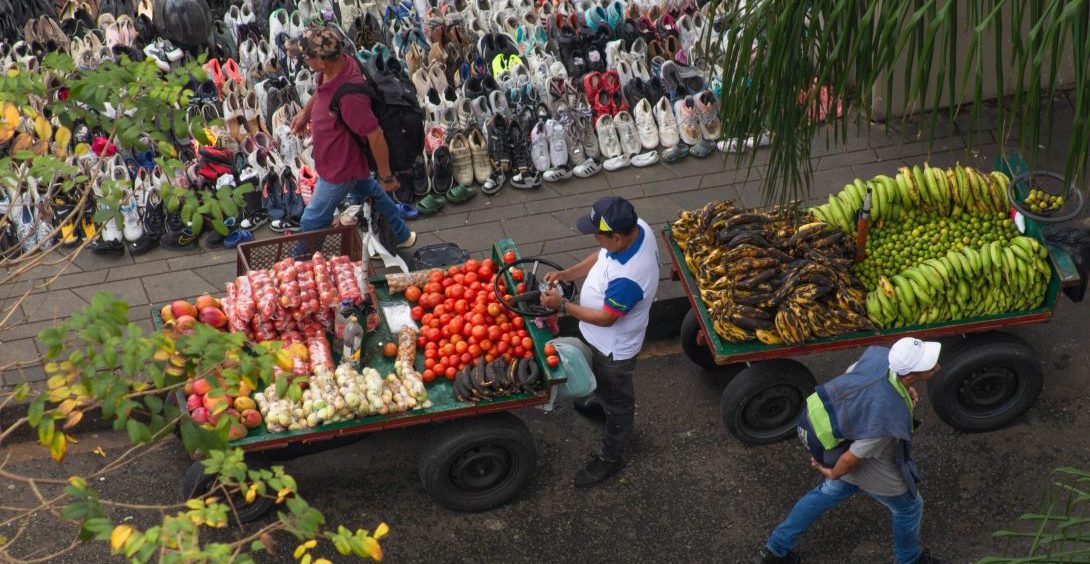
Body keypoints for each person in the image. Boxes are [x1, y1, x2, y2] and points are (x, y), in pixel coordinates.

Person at [755, 337, 947, 564]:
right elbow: (852, 458)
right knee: (910, 508)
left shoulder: (878, 359)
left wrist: (904, 391)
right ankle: (909, 560)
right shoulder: (885, 416)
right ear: (910, 376)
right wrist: (833, 472)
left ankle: (775, 549)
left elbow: (852, 377)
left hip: (845, 445)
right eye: (930, 365)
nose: (938, 366)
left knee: (826, 494)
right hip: (864, 464)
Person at [540, 196, 659, 488]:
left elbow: (607, 319)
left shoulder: (630, 278)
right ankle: (599, 401)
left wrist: (563, 306)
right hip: (598, 338)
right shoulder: (637, 227)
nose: (596, 238)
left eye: (599, 234)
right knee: (602, 385)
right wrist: (567, 274)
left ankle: (612, 455)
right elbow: (601, 255)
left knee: (618, 400)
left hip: (613, 348)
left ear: (617, 237)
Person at [286, 26, 415, 248]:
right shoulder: (332, 68)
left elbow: (375, 136)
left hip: (341, 169)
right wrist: (305, 113)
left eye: (306, 57)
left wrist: (386, 176)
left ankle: (304, 264)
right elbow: (322, 92)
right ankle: (402, 235)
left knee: (312, 219)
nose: (304, 61)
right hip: (341, 162)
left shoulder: (352, 97)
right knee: (371, 191)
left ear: (322, 61)